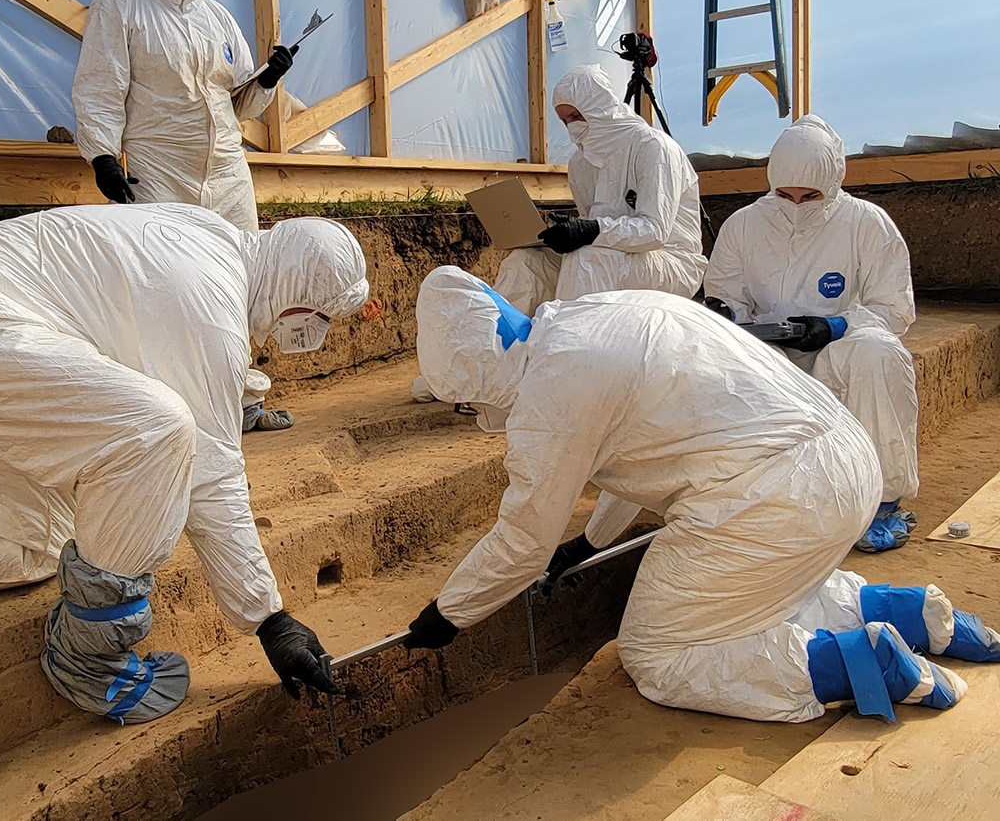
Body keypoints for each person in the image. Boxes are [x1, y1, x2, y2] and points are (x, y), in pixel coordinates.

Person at [0, 205, 369, 726]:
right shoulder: (211, 306)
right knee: (158, 432)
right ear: (301, 300)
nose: (312, 331)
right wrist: (269, 619)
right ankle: (89, 658)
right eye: (320, 317)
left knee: (32, 545)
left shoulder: (212, 240)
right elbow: (211, 477)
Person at [402, 267, 999, 723]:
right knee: (753, 599)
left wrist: (448, 614)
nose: (475, 414)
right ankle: (915, 614)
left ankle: (856, 665)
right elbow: (633, 457)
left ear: (476, 374)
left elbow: (523, 541)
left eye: (467, 400)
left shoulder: (547, 398)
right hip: (843, 462)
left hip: (773, 499)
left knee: (658, 650)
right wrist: (585, 543)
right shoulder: (600, 315)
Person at [73, 0, 296, 433]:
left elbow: (238, 101)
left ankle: (242, 402)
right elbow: (102, 87)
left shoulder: (217, 19)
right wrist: (103, 157)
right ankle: (179, 412)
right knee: (170, 287)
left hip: (225, 170)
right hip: (161, 168)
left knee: (239, 282)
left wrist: (266, 79)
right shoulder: (121, 5)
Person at [704, 115, 919, 553]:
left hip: (839, 349)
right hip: (770, 352)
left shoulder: (866, 224)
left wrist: (837, 325)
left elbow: (894, 310)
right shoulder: (744, 225)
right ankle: (769, 498)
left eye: (810, 195)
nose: (797, 204)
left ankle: (883, 499)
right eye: (785, 194)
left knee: (878, 354)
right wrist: (727, 313)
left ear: (834, 184)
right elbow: (724, 292)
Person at [493, 63, 706, 315]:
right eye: (564, 121)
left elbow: (654, 232)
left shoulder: (653, 147)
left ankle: (571, 346)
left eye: (575, 116)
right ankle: (508, 346)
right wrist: (570, 234)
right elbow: (593, 228)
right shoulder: (580, 163)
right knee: (524, 263)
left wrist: (591, 230)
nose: (571, 127)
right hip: (610, 255)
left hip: (670, 261)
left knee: (588, 259)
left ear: (599, 107)